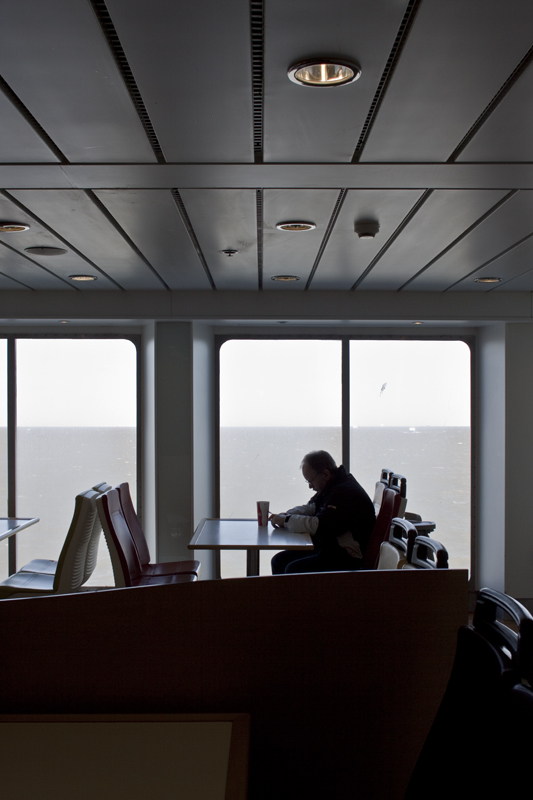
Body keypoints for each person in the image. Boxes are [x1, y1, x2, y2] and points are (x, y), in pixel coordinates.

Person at [270, 450, 375, 574]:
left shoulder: (344, 492)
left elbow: (320, 525)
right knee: (278, 561)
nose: (310, 486)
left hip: (348, 556)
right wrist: (287, 515)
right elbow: (312, 507)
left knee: (292, 569)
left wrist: (287, 520)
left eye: (311, 481)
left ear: (325, 474)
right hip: (332, 547)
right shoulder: (333, 485)